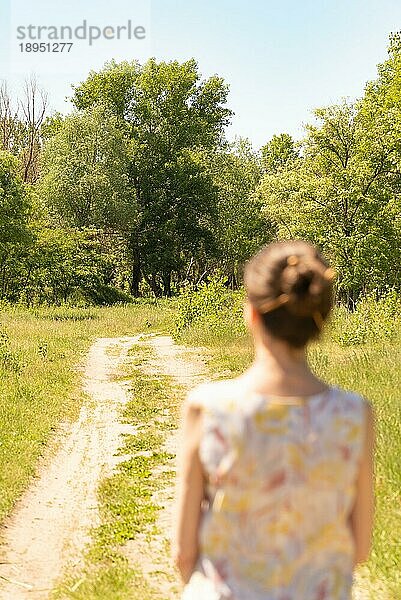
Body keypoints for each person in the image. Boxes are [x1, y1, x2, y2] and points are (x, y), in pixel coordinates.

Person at [172, 239, 375, 600]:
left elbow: (184, 552)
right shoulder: (354, 415)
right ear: (321, 318)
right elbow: (359, 548)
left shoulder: (209, 408)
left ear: (252, 314)